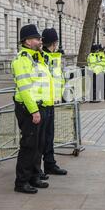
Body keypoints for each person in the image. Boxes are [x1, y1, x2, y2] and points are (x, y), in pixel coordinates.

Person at [11, 24, 52, 194]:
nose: (40, 40)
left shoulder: (37, 58)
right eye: (37, 38)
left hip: (41, 106)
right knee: (29, 146)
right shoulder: (21, 60)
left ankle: (35, 176)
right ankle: (21, 181)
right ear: (27, 41)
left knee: (38, 145)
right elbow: (25, 88)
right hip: (29, 108)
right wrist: (34, 111)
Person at [41, 28, 68, 176]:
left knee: (49, 135)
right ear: (54, 42)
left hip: (51, 100)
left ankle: (50, 164)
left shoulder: (53, 56)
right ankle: (38, 168)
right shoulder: (42, 57)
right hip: (43, 101)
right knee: (42, 138)